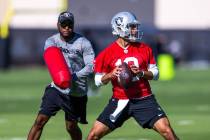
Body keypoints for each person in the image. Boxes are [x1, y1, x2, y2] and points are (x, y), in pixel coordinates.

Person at [87, 11, 179, 140]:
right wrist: (110, 75)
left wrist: (141, 72)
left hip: (144, 99)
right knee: (93, 135)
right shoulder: (107, 53)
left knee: (167, 131)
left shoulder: (144, 48)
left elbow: (156, 74)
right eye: (132, 26)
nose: (135, 30)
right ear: (120, 28)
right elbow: (97, 81)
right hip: (120, 100)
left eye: (135, 27)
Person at [27, 11, 95, 140]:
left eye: (69, 25)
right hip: (57, 88)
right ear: (58, 25)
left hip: (76, 92)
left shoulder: (83, 42)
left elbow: (91, 66)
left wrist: (73, 76)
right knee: (40, 121)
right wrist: (61, 77)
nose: (67, 28)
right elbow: (52, 61)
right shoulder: (51, 41)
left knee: (71, 127)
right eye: (63, 25)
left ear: (73, 25)